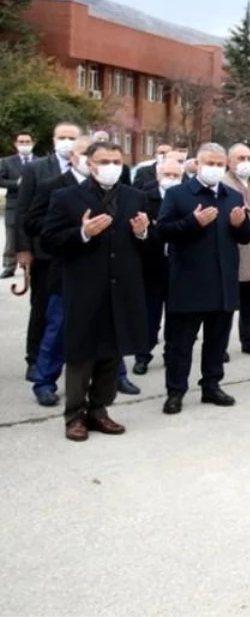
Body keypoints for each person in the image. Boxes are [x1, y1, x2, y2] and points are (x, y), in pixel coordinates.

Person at [40, 140, 150, 441]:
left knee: (112, 350)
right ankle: (74, 415)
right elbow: (49, 238)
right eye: (104, 161)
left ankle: (99, 409)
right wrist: (82, 233)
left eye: (116, 161)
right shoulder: (66, 197)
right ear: (90, 164)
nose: (111, 167)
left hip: (122, 286)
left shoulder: (135, 197)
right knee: (81, 351)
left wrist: (143, 232)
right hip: (84, 285)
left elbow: (147, 245)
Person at [157, 143, 250, 414]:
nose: (214, 169)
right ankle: (175, 391)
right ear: (197, 165)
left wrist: (240, 225)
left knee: (217, 341)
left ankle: (211, 385)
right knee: (181, 343)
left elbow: (246, 236)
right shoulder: (179, 195)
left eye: (219, 165)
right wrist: (192, 223)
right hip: (188, 282)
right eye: (209, 163)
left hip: (223, 282)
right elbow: (162, 231)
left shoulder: (233, 196)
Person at [14, 122, 81, 381]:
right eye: (62, 137)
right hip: (44, 252)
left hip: (76, 251)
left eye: (72, 137)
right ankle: (35, 359)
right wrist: (23, 249)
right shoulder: (36, 169)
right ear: (53, 140)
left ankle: (68, 356)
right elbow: (23, 212)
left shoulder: (88, 169)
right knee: (42, 308)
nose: (67, 142)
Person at [132, 156, 182, 375]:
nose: (171, 179)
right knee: (149, 315)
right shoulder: (144, 198)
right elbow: (138, 230)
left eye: (176, 176)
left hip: (179, 265)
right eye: (167, 175)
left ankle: (172, 353)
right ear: (158, 175)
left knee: (176, 314)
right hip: (151, 264)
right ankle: (142, 355)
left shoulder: (186, 198)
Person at [224, 143, 250, 359]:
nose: (245, 163)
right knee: (229, 300)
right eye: (240, 158)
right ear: (229, 161)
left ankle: (249, 339)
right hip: (234, 248)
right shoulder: (223, 184)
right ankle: (220, 345)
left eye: (249, 158)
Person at [1, 130, 36, 278]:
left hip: (34, 205)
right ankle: (9, 266)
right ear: (16, 144)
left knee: (34, 236)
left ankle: (33, 266)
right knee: (11, 238)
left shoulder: (41, 161)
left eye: (27, 142)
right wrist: (16, 183)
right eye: (21, 142)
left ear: (32, 143)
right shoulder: (7, 162)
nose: (24, 145)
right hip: (14, 205)